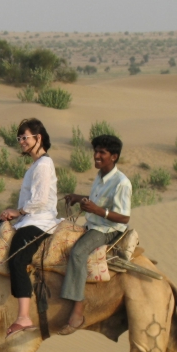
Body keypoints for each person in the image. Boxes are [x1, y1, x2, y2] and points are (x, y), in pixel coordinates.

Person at [59, 134, 131, 335]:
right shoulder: (100, 177)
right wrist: (78, 198)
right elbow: (96, 200)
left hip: (108, 230)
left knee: (78, 253)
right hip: (93, 223)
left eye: (102, 153)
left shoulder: (122, 183)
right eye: (96, 151)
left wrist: (97, 210)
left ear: (114, 156)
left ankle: (78, 311)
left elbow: (124, 217)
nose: (96, 156)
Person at [0, 118, 60, 338]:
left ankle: (23, 317)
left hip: (40, 221)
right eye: (20, 138)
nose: (22, 142)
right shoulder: (35, 165)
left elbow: (41, 200)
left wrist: (19, 211)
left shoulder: (44, 165)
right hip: (29, 219)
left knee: (18, 258)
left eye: (25, 137)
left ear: (38, 138)